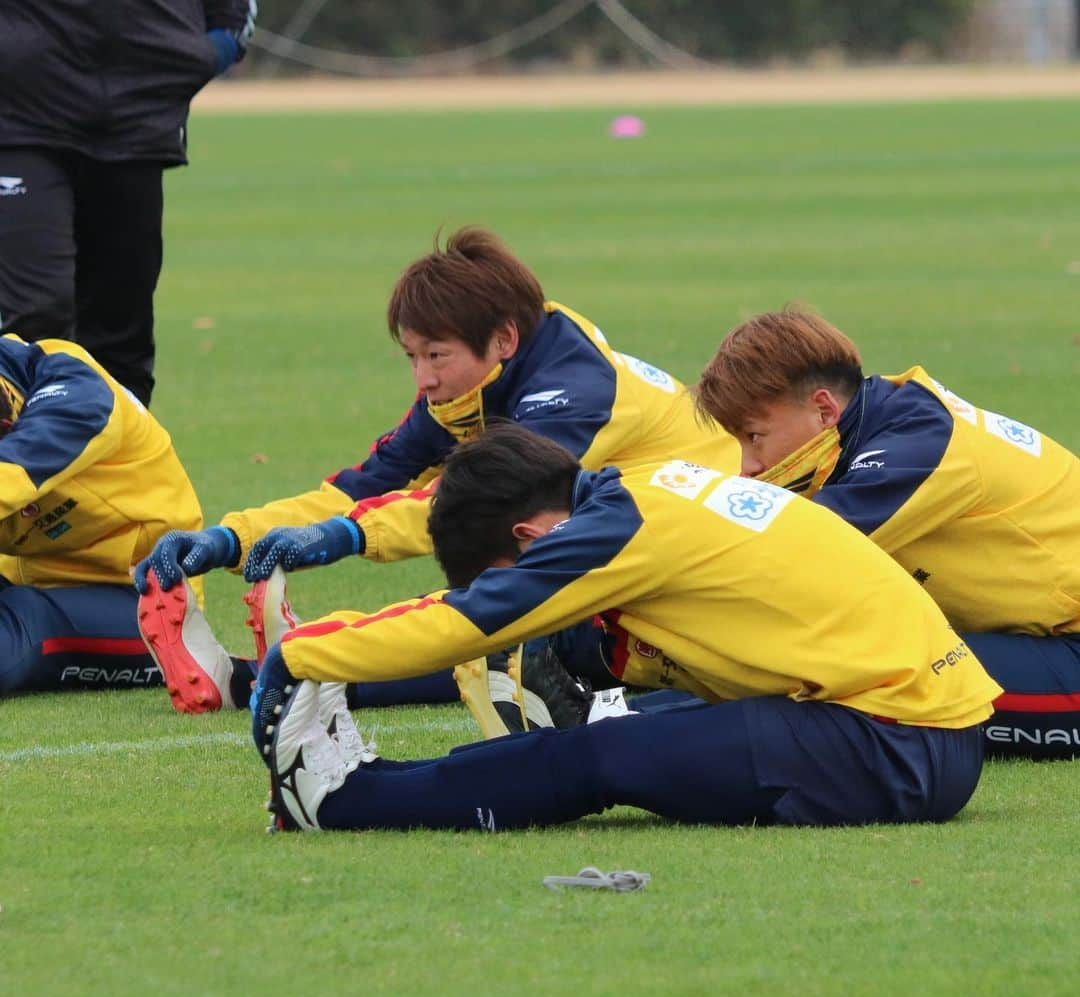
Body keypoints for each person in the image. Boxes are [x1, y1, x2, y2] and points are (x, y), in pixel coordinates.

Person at [246, 423, 998, 834]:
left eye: (510, 572)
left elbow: (467, 622)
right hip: (915, 722)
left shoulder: (613, 532)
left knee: (601, 758)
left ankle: (348, 802)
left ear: (529, 536)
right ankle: (380, 780)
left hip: (898, 741)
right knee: (599, 712)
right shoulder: (638, 491)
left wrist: (306, 653)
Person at [134, 226, 740, 713]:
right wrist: (230, 538)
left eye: (435, 356)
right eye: (412, 357)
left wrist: (342, 537)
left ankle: (275, 673)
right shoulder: (470, 385)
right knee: (502, 611)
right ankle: (281, 670)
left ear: (502, 340)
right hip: (635, 541)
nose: (423, 378)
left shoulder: (572, 395)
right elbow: (361, 488)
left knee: (500, 622)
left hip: (706, 565)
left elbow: (467, 508)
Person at [693, 307, 1080, 760]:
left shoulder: (919, 446)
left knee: (860, 677)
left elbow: (778, 554)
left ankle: (620, 718)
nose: (747, 466)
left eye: (754, 437)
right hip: (1034, 639)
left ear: (823, 409)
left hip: (1069, 652)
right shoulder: (884, 422)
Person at [0, 1, 258, 405]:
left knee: (121, 336)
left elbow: (234, 10)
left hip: (137, 121)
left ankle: (120, 463)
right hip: (18, 121)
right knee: (35, 319)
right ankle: (27, 461)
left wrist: (206, 52)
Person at [0, 333, 220, 696]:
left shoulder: (74, 389)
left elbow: (13, 472)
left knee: (26, 623)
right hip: (32, 579)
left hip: (145, 596)